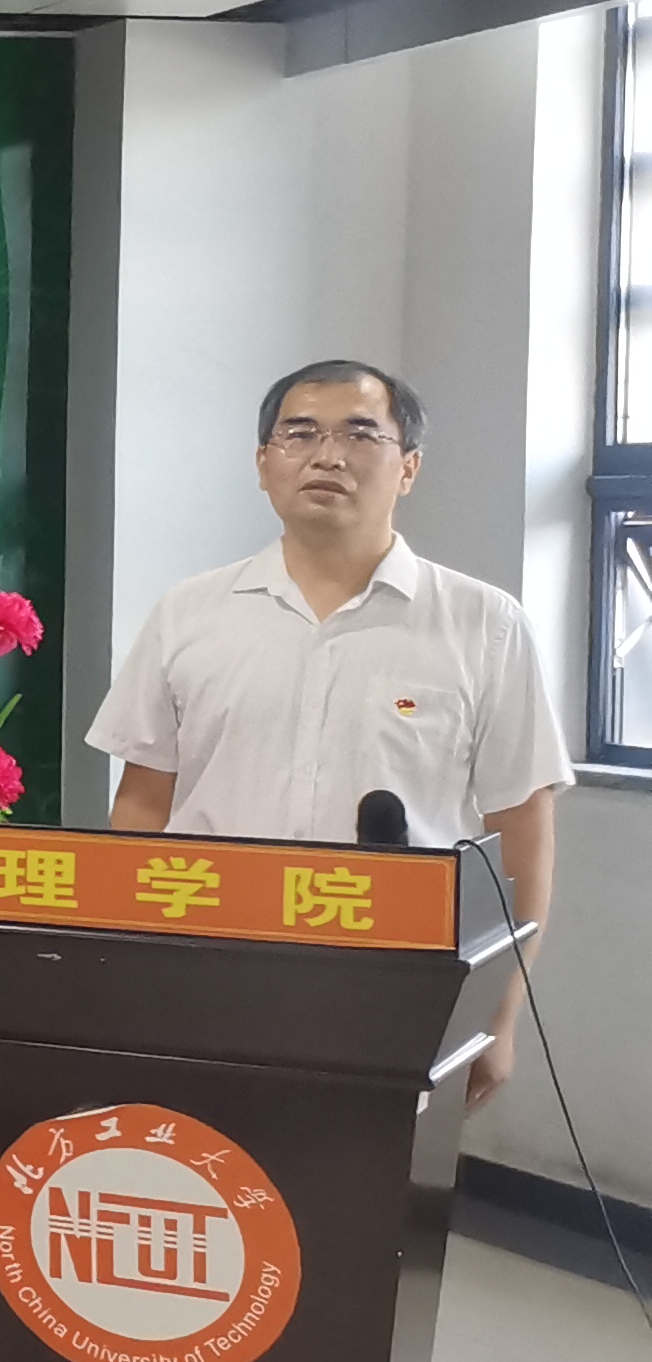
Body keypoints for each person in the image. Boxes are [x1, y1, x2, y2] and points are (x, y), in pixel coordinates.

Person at [89, 358, 568, 1101]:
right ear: (264, 464)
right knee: (209, 1165)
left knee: (376, 1173)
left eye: (360, 434)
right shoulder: (189, 612)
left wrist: (498, 1014)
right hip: (206, 969)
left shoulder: (484, 624)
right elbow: (143, 803)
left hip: (402, 981)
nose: (328, 456)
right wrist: (131, 969)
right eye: (300, 434)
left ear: (408, 468)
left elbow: (522, 836)